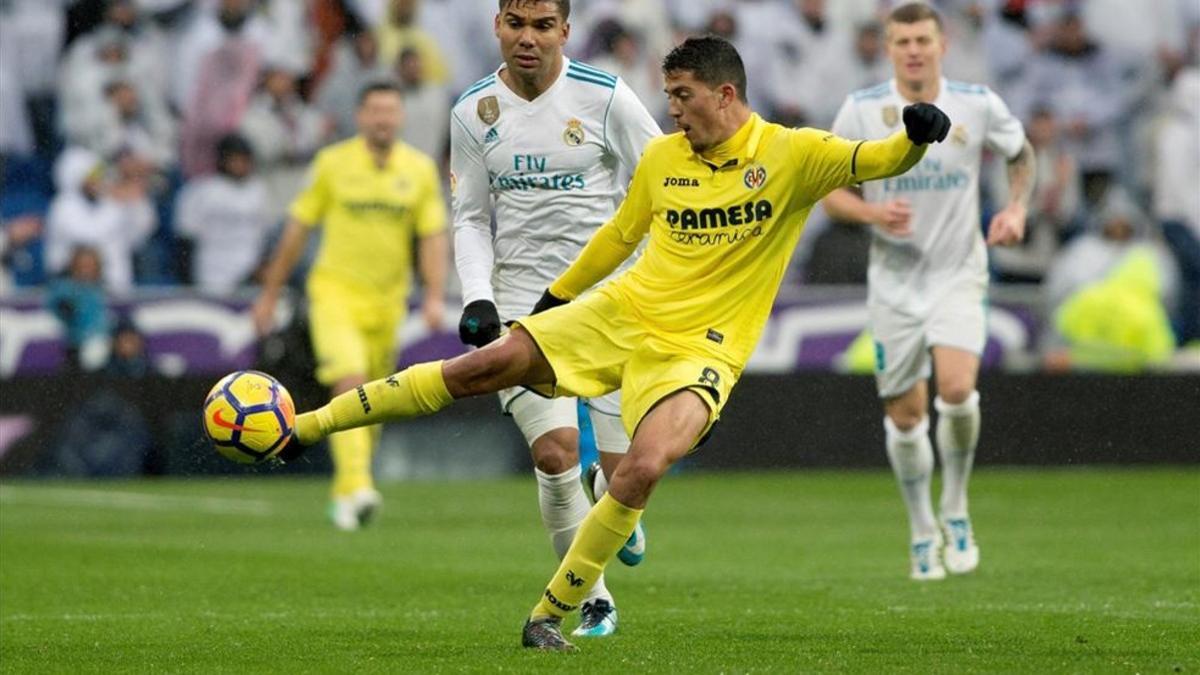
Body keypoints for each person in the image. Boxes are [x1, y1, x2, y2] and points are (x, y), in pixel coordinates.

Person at [274, 34, 948, 649]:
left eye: (682, 97)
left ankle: (549, 613)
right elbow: (618, 239)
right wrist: (554, 301)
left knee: (644, 466)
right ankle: (304, 427)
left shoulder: (793, 154)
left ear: (725, 94)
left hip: (702, 351)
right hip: (622, 312)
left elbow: (877, 157)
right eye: (669, 97)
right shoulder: (662, 159)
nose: (673, 112)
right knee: (484, 367)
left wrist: (916, 136)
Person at [450, 0, 661, 638]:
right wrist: (477, 296)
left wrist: (660, 279)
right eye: (516, 24)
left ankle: (609, 484)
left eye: (543, 26)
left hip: (608, 302)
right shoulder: (472, 111)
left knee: (631, 476)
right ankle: (591, 594)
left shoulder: (607, 97)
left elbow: (666, 183)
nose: (529, 38)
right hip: (521, 304)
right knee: (553, 451)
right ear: (498, 27)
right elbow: (468, 217)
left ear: (565, 31)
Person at [820, 3, 1035, 581]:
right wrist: (869, 213)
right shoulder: (863, 109)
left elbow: (1021, 153)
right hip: (894, 282)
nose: (913, 49)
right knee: (908, 417)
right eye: (902, 41)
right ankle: (921, 528)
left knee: (959, 390)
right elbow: (826, 189)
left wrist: (1016, 208)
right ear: (888, 48)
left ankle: (956, 507)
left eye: (922, 39)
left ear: (942, 44)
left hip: (959, 272)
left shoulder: (977, 102)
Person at [252, 80, 448, 531]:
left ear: (400, 117)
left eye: (390, 111)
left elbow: (432, 235)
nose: (383, 119)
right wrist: (268, 294)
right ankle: (358, 483)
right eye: (375, 110)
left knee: (374, 400)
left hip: (388, 302)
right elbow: (297, 230)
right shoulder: (332, 164)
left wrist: (434, 294)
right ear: (360, 117)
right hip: (334, 294)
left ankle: (346, 494)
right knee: (350, 381)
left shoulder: (417, 170)